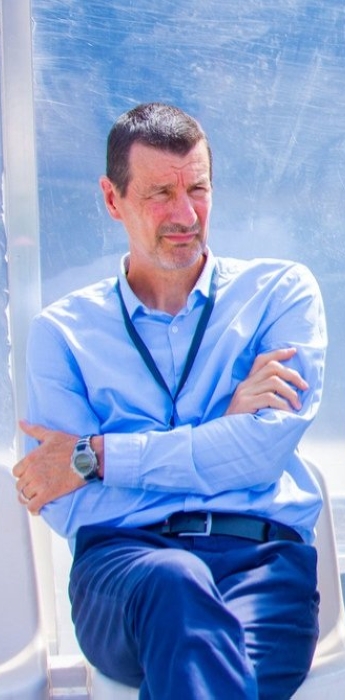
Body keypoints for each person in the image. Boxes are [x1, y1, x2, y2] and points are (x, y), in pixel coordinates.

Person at [11, 102, 327, 699]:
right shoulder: (62, 333)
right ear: (113, 199)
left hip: (258, 563)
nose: (185, 215)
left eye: (198, 189)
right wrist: (221, 431)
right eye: (160, 193)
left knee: (217, 683)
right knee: (174, 580)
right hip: (124, 572)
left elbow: (260, 456)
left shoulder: (280, 293)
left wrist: (98, 456)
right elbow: (65, 502)